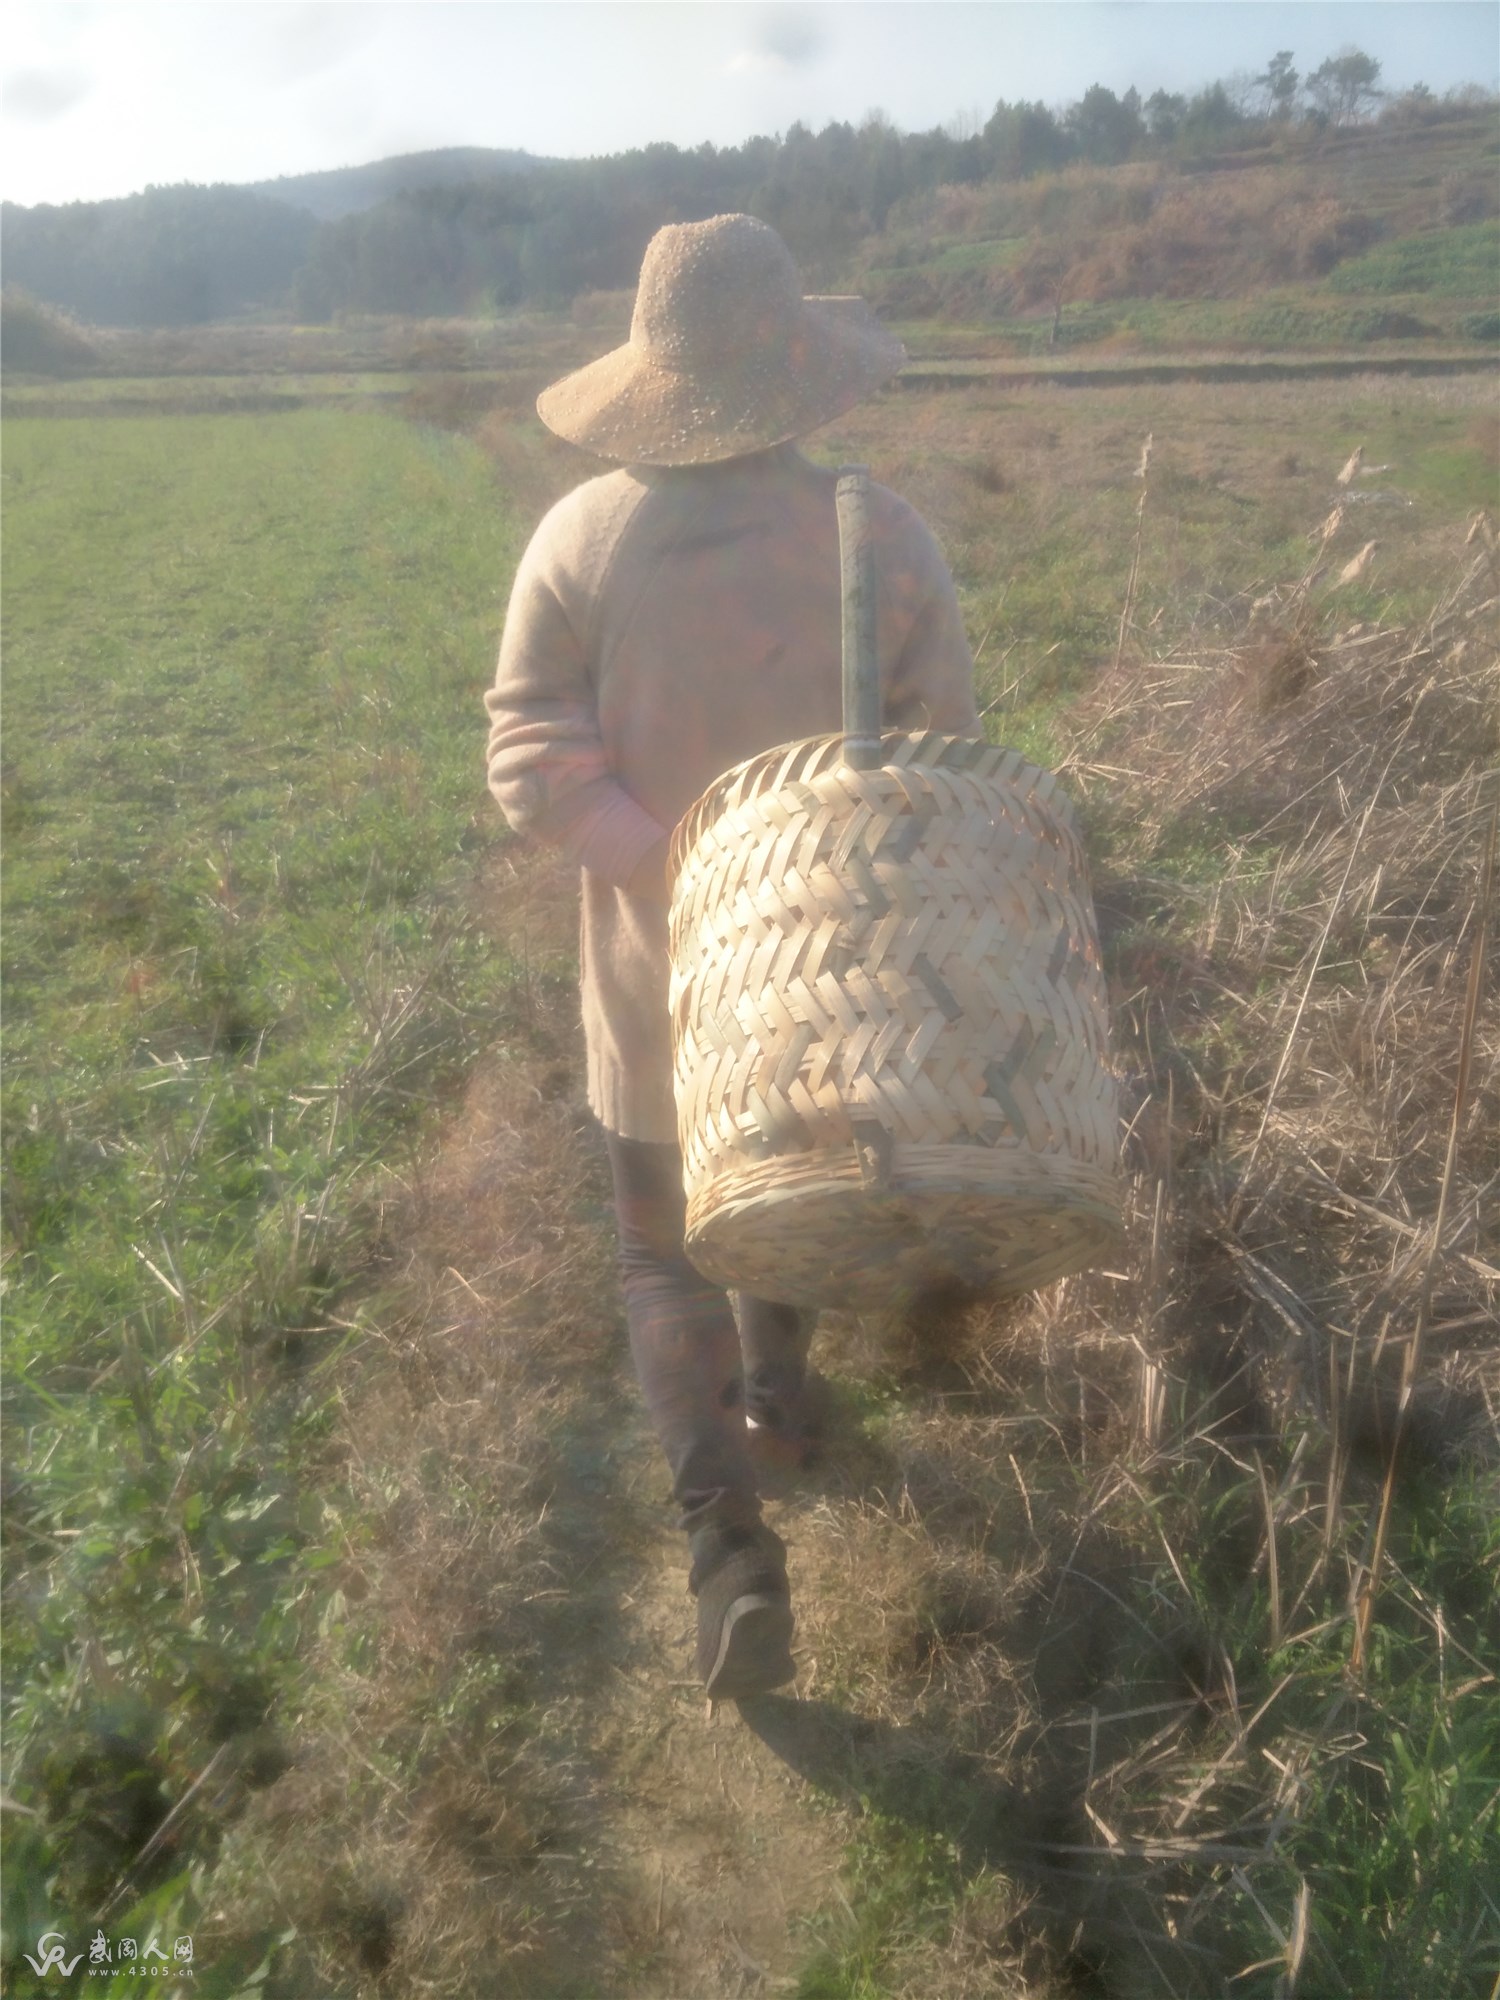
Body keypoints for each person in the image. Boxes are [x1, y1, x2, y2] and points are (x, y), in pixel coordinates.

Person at [484, 213, 979, 1701]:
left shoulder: (580, 538)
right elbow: (943, 752)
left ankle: (726, 1553)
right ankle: (780, 1398)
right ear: (797, 367)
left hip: (653, 990)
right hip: (834, 987)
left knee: (660, 1254)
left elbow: (528, 757)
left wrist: (677, 867)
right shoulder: (875, 532)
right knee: (789, 1193)